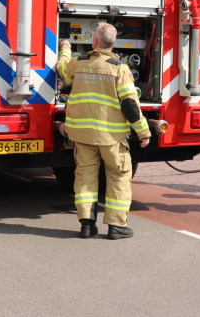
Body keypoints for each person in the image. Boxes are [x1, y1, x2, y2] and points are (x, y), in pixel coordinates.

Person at [56, 23, 151, 240]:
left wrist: (65, 49)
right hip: (111, 138)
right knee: (118, 177)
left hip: (82, 136)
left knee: (85, 178)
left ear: (94, 41)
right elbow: (130, 105)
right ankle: (116, 227)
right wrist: (144, 132)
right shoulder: (119, 68)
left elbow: (61, 68)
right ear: (113, 44)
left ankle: (87, 226)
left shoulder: (76, 63)